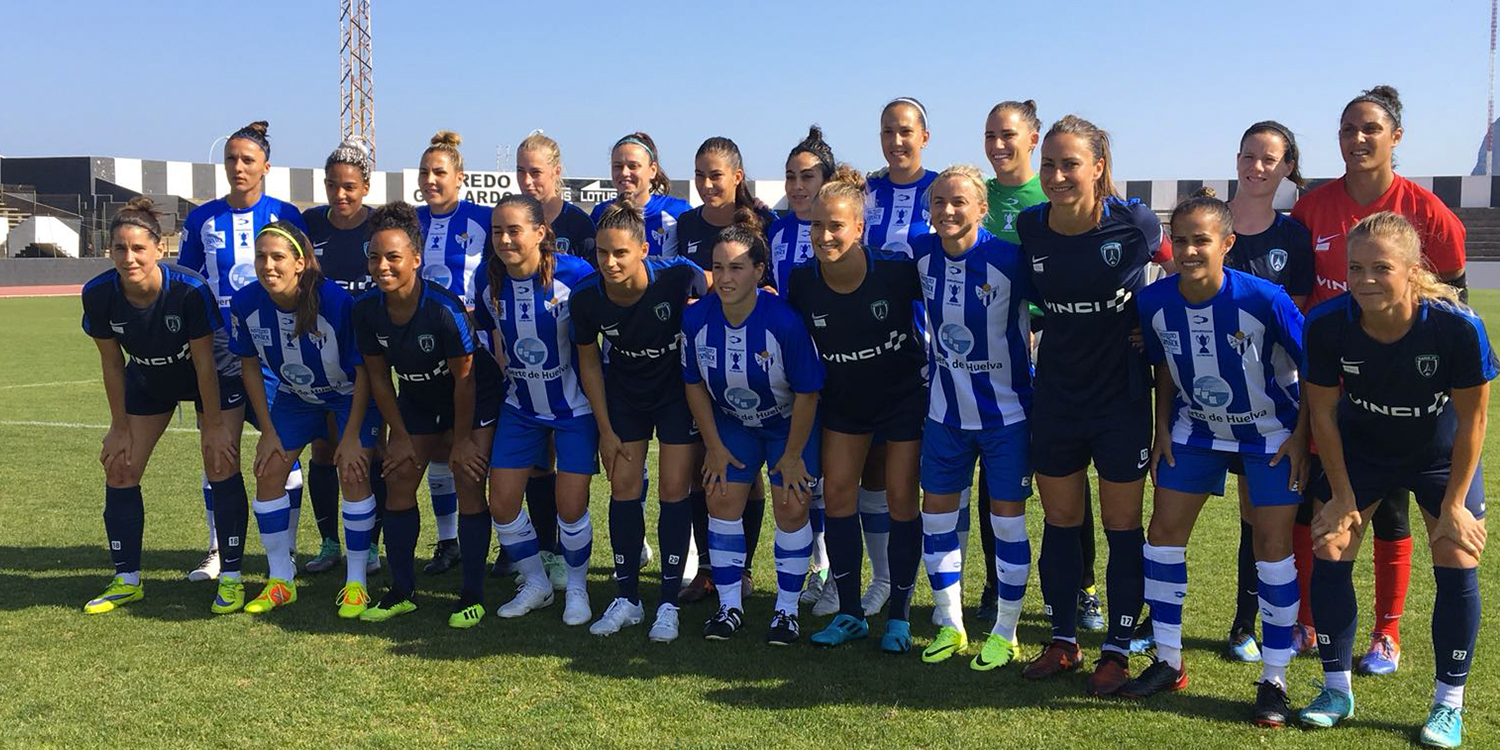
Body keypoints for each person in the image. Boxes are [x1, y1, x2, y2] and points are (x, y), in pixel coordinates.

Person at [1290, 85, 1469, 675]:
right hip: (1332, 387)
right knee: (1327, 512)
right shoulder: (1313, 208)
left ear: (1396, 137)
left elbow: (1452, 300)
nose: (1358, 139)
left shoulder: (1426, 211)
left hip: (1407, 395)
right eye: (1348, 129)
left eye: (1370, 128)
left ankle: (1386, 633)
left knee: (1393, 511)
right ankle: (1312, 626)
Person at [1298, 212, 1491, 750]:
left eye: (1381, 268)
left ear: (1411, 270)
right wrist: (1339, 495)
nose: (1364, 280)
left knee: (1456, 553)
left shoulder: (1455, 325)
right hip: (1363, 453)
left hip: (1437, 456)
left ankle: (1448, 705)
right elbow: (1323, 414)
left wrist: (1455, 504)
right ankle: (1336, 690)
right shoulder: (1329, 323)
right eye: (1355, 267)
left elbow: (1474, 420)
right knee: (1330, 543)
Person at [1117, 191, 1308, 729]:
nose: (1189, 250)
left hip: (1270, 435)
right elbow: (1161, 367)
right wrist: (1160, 428)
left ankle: (1274, 679)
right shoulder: (1154, 303)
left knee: (1272, 550)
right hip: (1194, 432)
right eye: (1180, 240)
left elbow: (1314, 370)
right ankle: (1168, 660)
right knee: (1163, 537)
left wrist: (1301, 437)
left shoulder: (1266, 299)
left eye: (1201, 240)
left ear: (1227, 243)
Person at [1017, 115, 1173, 695]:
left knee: (1121, 525)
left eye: (1070, 164)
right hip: (1057, 394)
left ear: (1098, 167)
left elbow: (1182, 273)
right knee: (1060, 521)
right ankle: (1062, 640)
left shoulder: (1133, 223)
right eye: (1050, 164)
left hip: (1121, 398)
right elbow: (1031, 304)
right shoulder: (1032, 228)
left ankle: (1117, 648)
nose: (1056, 175)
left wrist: (1148, 323)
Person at [80, 198, 246, 615]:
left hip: (209, 376)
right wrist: (118, 425)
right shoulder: (98, 294)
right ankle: (127, 580)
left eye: (138, 248)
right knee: (120, 465)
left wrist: (212, 425)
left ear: (159, 249)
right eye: (120, 248)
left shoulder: (188, 289)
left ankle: (231, 578)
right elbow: (112, 364)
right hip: (149, 379)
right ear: (110, 251)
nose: (129, 257)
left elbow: (205, 363)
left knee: (220, 461)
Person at [784, 165, 925, 652]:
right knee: (839, 495)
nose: (825, 235)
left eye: (836, 225)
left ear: (859, 228)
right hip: (845, 404)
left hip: (902, 400)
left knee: (902, 500)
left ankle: (901, 618)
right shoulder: (802, 283)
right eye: (818, 225)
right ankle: (848, 613)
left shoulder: (896, 271)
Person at [905, 166, 1035, 667]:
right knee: (936, 517)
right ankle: (951, 625)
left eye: (959, 202)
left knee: (1007, 524)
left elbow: (1062, 307)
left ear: (982, 209)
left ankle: (1005, 631)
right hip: (944, 414)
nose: (948, 211)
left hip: (1007, 417)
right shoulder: (919, 252)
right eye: (939, 202)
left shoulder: (1011, 260)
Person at [352, 201, 502, 624]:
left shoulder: (444, 309)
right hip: (417, 399)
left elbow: (466, 380)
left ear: (416, 260)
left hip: (473, 398)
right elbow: (380, 379)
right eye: (375, 257)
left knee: (468, 478)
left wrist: (463, 438)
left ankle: (471, 595)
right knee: (399, 478)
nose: (383, 266)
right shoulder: (366, 310)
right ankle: (402, 590)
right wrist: (398, 435)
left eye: (393, 257)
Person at [571, 198, 707, 640]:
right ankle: (627, 597)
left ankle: (667, 601)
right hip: (625, 398)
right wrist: (605, 429)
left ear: (644, 250)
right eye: (602, 253)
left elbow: (717, 292)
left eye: (620, 253)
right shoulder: (587, 297)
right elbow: (589, 363)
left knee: (673, 490)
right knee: (624, 489)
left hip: (675, 395)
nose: (610, 263)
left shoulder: (677, 275)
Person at [177, 120, 307, 584]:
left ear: (265, 167)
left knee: (282, 451)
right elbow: (188, 283)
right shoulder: (202, 219)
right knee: (217, 452)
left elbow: (305, 280)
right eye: (231, 159)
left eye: (247, 160)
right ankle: (218, 548)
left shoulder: (287, 214)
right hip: (218, 351)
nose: (238, 167)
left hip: (274, 348)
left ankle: (286, 550)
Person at [682, 223, 825, 643]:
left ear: (760, 271)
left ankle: (786, 611)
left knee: (792, 504)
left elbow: (807, 393)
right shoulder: (695, 319)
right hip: (732, 423)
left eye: (738, 268)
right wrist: (712, 446)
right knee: (721, 496)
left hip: (787, 424)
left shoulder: (784, 323)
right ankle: (729, 607)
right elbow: (693, 383)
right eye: (718, 268)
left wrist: (794, 455)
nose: (725, 278)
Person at [228, 222, 380, 616]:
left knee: (353, 471)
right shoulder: (245, 303)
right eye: (261, 256)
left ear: (299, 263)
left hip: (348, 396)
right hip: (296, 399)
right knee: (268, 471)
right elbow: (248, 367)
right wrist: (268, 429)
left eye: (278, 257)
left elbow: (364, 372)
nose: (268, 265)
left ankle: (357, 581)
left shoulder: (333, 303)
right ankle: (281, 580)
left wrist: (349, 438)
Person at [475, 194, 599, 627]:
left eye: (514, 230)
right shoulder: (486, 278)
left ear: (540, 233)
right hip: (520, 406)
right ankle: (536, 584)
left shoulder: (576, 274)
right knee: (503, 502)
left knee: (570, 506)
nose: (505, 240)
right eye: (497, 231)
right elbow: (493, 339)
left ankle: (578, 588)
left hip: (574, 409)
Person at [1216, 121, 1314, 662]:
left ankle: (1242, 624)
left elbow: (1291, 323)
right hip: (1201, 401)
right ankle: (1147, 622)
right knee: (1170, 512)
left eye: (1269, 159)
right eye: (1249, 155)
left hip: (1268, 402)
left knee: (1256, 513)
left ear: (1286, 168)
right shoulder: (1210, 223)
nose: (1257, 167)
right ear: (1236, 159)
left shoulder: (1293, 237)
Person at [674, 137, 775, 608]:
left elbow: (768, 291)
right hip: (704, 360)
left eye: (715, 175)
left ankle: (743, 569)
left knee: (742, 470)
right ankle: (709, 572)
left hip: (752, 365)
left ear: (737, 176)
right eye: (699, 175)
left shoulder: (762, 223)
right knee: (701, 468)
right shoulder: (686, 225)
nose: (706, 184)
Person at [301, 138, 385, 577]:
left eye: (349, 186)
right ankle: (329, 541)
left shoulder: (380, 226)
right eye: (333, 185)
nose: (341, 194)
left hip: (371, 354)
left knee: (371, 450)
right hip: (319, 354)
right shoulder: (309, 223)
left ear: (365, 186)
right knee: (323, 448)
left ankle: (371, 544)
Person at [414, 130, 494, 576]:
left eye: (439, 172)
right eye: (425, 172)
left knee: (485, 449)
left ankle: (501, 540)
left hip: (476, 350)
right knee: (442, 449)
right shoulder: (411, 222)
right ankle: (448, 541)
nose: (430, 179)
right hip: (425, 352)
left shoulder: (483, 218)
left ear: (459, 177)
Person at [766, 126, 837, 612]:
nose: (797, 186)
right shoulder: (774, 231)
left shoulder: (842, 228)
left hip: (838, 365)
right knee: (804, 477)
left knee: (833, 479)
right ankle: (816, 571)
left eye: (807, 177)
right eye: (791, 176)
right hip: (790, 371)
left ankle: (834, 575)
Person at [591, 132, 691, 256]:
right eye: (617, 166)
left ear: (652, 170)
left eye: (633, 166)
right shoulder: (600, 213)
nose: (624, 172)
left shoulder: (677, 211)